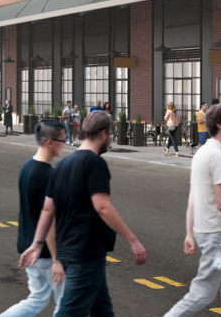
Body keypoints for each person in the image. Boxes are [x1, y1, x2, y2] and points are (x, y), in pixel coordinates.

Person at [19, 110, 147, 317]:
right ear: (104, 133)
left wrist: (36, 244)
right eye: (111, 134)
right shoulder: (94, 163)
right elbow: (102, 206)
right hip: (85, 254)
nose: (111, 139)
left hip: (71, 252)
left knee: (102, 310)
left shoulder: (62, 165)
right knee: (69, 312)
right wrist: (133, 241)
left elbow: (48, 208)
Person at [163, 104, 221, 317]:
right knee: (203, 293)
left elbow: (194, 196)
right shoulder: (217, 155)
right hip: (214, 236)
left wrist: (190, 233)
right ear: (220, 124)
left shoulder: (203, 151)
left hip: (210, 233)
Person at [1, 119, 66, 317]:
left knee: (37, 298)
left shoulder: (27, 167)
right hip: (45, 253)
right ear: (50, 142)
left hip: (27, 244)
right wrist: (57, 259)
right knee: (66, 303)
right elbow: (49, 222)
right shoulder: (47, 175)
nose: (65, 144)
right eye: (62, 140)